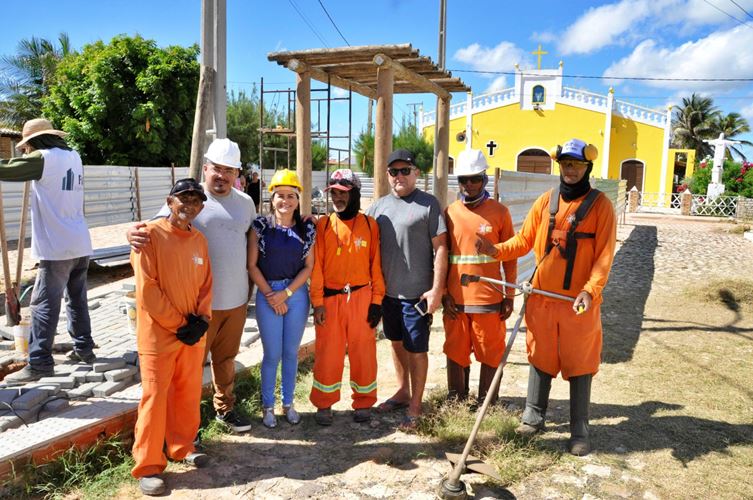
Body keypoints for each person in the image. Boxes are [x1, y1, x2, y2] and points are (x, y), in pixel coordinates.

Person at [475, 138, 617, 456]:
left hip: (577, 304)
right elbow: (523, 241)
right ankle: (533, 417)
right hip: (541, 298)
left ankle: (579, 429)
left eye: (576, 164)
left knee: (580, 362)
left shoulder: (601, 206)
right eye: (565, 163)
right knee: (540, 356)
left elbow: (605, 256)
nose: (569, 169)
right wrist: (494, 250)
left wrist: (589, 290)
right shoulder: (545, 202)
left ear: (587, 167)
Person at [128, 138, 255, 433]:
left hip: (235, 301)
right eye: (216, 169)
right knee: (190, 369)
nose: (222, 176)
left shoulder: (245, 203)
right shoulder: (188, 198)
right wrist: (130, 233)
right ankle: (187, 425)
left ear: (237, 174)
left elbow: (252, 240)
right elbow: (152, 230)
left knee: (225, 360)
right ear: (205, 167)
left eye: (229, 170)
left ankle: (225, 409)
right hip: (198, 306)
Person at [129, 178, 212, 496]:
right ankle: (148, 465)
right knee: (155, 397)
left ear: (201, 207)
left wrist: (202, 319)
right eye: (183, 199)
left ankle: (182, 446)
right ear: (169, 201)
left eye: (195, 200)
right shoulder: (149, 235)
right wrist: (179, 324)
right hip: (159, 335)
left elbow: (207, 283)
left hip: (191, 335)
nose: (189, 205)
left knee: (188, 393)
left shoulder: (200, 240)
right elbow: (147, 289)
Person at [2, 118, 96, 385]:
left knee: (44, 304)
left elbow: (8, 169)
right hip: (79, 241)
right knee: (76, 298)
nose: (26, 150)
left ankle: (40, 362)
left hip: (58, 246)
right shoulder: (73, 156)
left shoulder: (43, 158)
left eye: (26, 146)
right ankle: (84, 349)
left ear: (35, 141)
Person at [366, 149, 448, 429]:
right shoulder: (377, 208)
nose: (399, 176)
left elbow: (441, 249)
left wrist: (437, 289)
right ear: (387, 175)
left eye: (405, 171)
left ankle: (416, 404)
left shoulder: (428, 204)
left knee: (417, 349)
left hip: (417, 295)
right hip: (388, 294)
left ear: (416, 173)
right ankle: (402, 392)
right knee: (396, 342)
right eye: (394, 171)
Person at [309, 169, 385, 426]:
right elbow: (316, 267)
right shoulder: (323, 225)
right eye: (334, 193)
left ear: (355, 194)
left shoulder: (370, 225)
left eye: (344, 192)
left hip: (362, 298)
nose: (338, 198)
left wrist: (377, 302)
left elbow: (377, 266)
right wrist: (317, 302)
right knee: (328, 353)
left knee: (363, 351)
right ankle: (324, 403)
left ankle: (363, 402)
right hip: (330, 301)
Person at [442, 149, 517, 404]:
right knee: (455, 350)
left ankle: (487, 404)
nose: (470, 185)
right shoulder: (449, 213)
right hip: (456, 300)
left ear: (485, 179)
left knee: (491, 352)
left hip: (489, 301)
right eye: (464, 180)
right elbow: (442, 257)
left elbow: (510, 257)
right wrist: (443, 294)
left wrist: (509, 296)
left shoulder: (500, 212)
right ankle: (457, 402)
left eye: (475, 179)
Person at [248, 169, 315, 428]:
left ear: (298, 199)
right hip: (268, 293)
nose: (285, 201)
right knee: (272, 354)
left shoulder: (307, 228)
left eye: (291, 196)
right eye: (280, 196)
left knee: (290, 353)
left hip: (296, 295)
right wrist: (271, 295)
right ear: (271, 198)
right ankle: (268, 406)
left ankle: (288, 404)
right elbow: (252, 265)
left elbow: (308, 266)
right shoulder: (260, 227)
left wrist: (285, 294)